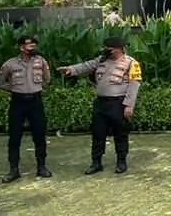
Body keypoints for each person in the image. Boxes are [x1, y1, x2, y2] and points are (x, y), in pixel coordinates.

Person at [60, 35, 142, 175]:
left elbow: (134, 85)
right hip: (101, 103)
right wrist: (71, 70)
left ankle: (121, 162)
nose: (106, 51)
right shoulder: (101, 60)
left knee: (120, 134)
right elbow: (86, 66)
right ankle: (96, 162)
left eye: (110, 49)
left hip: (118, 103)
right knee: (98, 133)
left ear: (119, 49)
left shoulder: (131, 63)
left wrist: (129, 105)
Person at [0, 35, 52, 184]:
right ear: (21, 48)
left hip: (36, 101)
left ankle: (42, 167)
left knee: (39, 135)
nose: (33, 47)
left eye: (34, 45)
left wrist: (35, 88)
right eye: (29, 45)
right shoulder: (10, 64)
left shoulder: (41, 62)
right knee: (14, 137)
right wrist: (15, 88)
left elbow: (47, 79)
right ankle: (13, 170)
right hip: (18, 102)